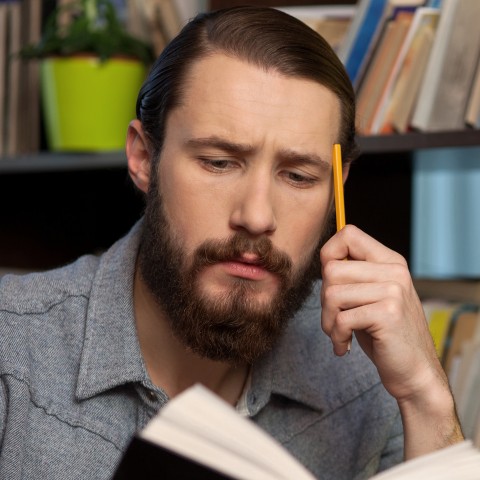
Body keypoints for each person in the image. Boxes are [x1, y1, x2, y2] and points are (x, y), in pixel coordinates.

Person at [0, 6, 463, 480]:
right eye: (219, 162)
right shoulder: (10, 350)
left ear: (337, 191)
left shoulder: (367, 382)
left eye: (299, 176)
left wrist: (426, 398)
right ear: (143, 157)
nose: (257, 216)